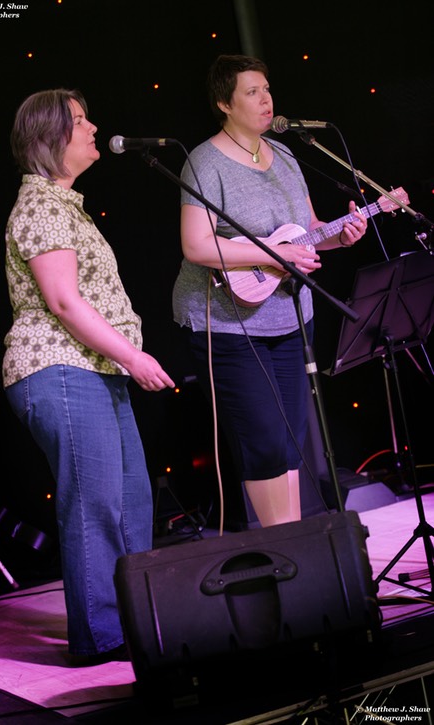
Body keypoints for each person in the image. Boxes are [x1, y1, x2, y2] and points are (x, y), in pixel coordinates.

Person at [3, 88, 175, 664]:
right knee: (96, 503)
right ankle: (101, 638)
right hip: (58, 368)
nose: (93, 127)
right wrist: (134, 356)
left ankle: (139, 620)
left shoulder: (65, 205)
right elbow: (65, 303)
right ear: (51, 137)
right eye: (80, 121)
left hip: (95, 369)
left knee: (132, 498)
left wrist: (122, 359)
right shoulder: (40, 207)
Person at [172, 54, 367, 528]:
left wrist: (338, 235)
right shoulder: (204, 161)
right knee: (263, 437)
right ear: (224, 103)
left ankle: (298, 542)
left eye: (266, 89)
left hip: (288, 315)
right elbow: (197, 245)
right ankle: (284, 547)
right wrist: (269, 256)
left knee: (290, 437)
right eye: (251, 92)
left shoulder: (287, 156)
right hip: (227, 321)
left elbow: (305, 231)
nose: (266, 99)